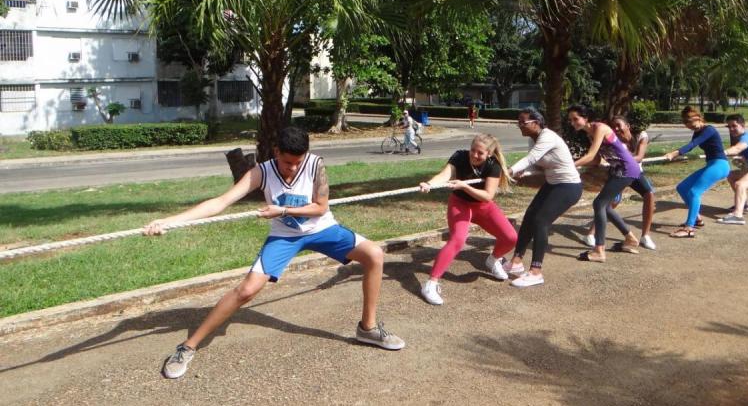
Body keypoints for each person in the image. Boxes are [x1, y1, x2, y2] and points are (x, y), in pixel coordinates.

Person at [143, 126, 405, 379]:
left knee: (374, 254)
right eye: (287, 162)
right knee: (246, 290)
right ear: (276, 151)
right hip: (285, 236)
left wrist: (283, 210)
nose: (293, 168)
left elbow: (321, 208)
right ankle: (188, 347)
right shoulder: (261, 172)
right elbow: (221, 202)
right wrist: (171, 221)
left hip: (322, 229)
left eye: (297, 162)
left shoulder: (315, 165)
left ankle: (367, 329)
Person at [417, 133, 517, 305]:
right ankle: (431, 284)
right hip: (460, 204)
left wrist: (464, 185)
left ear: (489, 154)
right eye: (473, 150)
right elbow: (445, 175)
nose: (475, 155)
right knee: (457, 239)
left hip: (483, 206)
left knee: (511, 237)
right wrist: (430, 184)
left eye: (480, 153)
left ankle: (493, 260)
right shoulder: (460, 156)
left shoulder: (493, 165)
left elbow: (487, 196)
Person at [505, 109, 583, 287]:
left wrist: (509, 171)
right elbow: (539, 166)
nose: (519, 126)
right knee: (530, 215)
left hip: (569, 186)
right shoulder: (533, 141)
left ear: (536, 122)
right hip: (553, 184)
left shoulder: (548, 136)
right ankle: (516, 262)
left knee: (541, 221)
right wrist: (523, 173)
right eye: (518, 123)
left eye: (522, 122)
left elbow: (531, 158)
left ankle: (535, 272)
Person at [567, 105, 641, 263]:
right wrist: (580, 165)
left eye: (575, 119)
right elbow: (595, 159)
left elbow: (591, 154)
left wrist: (571, 164)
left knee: (599, 203)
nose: (572, 122)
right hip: (618, 170)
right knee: (605, 206)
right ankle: (630, 238)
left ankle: (599, 250)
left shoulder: (600, 128)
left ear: (585, 118)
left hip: (626, 169)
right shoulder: (590, 134)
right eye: (570, 120)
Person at [579, 115, 657, 251]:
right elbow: (597, 157)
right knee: (608, 203)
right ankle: (591, 234)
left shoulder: (640, 136)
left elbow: (639, 157)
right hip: (618, 171)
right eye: (613, 126)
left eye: (618, 125)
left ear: (628, 126)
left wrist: (624, 158)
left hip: (633, 171)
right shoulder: (610, 136)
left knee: (649, 193)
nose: (616, 129)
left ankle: (645, 235)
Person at [664, 106, 730, 237]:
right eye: (686, 123)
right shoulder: (697, 132)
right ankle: (697, 219)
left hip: (720, 165)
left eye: (690, 122)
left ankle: (689, 228)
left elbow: (693, 145)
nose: (689, 125)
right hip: (711, 164)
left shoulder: (709, 129)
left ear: (698, 118)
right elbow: (693, 144)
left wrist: (675, 153)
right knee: (682, 188)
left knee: (694, 192)